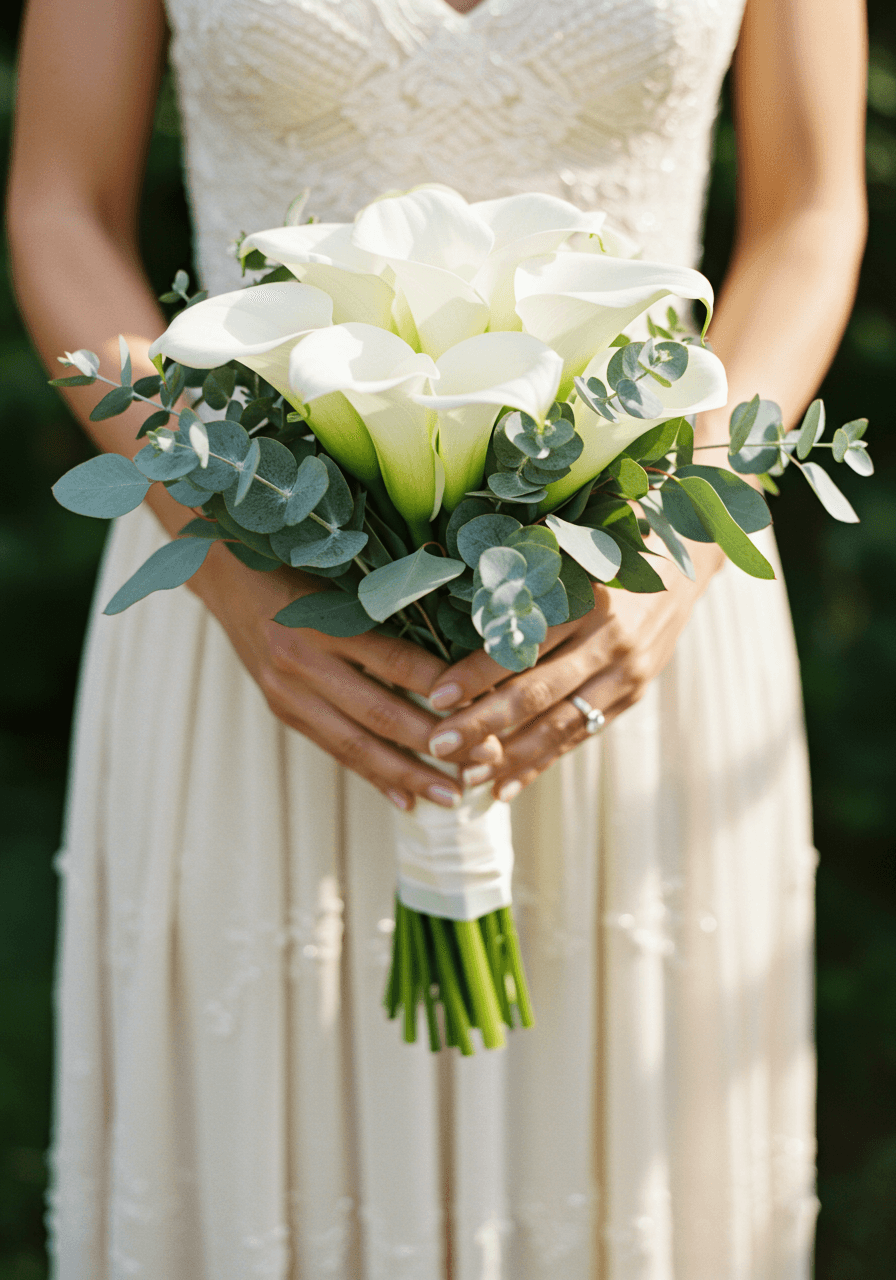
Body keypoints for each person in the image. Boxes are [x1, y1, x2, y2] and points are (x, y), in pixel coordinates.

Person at [8, 0, 867, 1275]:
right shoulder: (242, 591)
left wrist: (677, 553)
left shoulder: (657, 578)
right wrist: (236, 562)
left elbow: (809, 209)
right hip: (252, 609)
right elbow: (59, 202)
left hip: (627, 608)